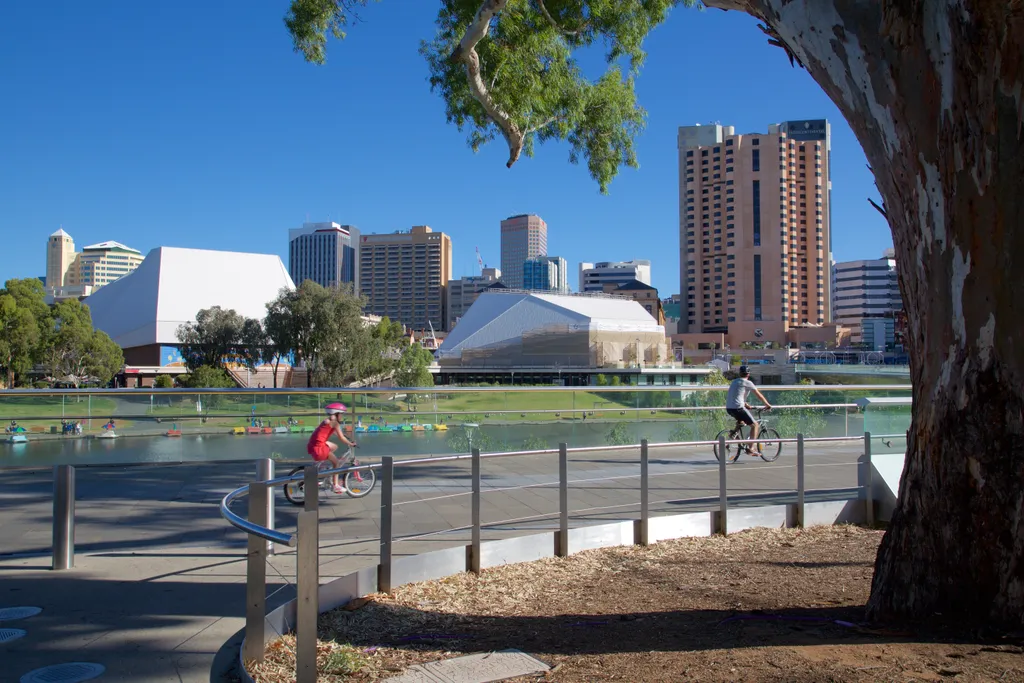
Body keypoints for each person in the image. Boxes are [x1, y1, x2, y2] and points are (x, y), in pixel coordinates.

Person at [307, 402, 357, 494]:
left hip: (313, 444)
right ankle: (335, 486)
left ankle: (322, 465)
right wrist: (351, 443)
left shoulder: (327, 421)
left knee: (334, 446)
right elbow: (341, 437)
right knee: (336, 463)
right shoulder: (335, 423)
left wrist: (345, 435)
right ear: (336, 413)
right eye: (341, 414)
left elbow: (333, 432)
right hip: (319, 447)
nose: (342, 416)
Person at [725, 366, 773, 455]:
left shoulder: (734, 382)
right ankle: (751, 448)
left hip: (729, 408)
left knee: (741, 422)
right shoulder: (748, 382)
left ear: (739, 373)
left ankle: (733, 435)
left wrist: (746, 404)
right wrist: (767, 404)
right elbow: (759, 395)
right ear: (748, 374)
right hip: (738, 408)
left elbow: (737, 394)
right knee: (755, 425)